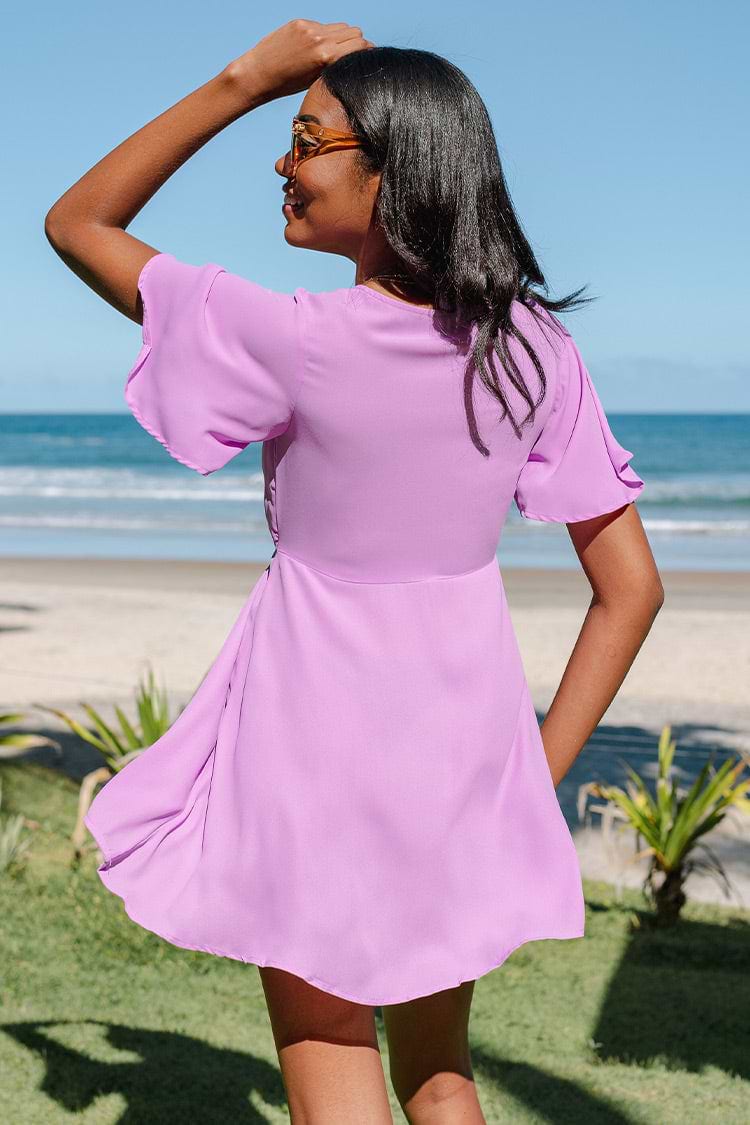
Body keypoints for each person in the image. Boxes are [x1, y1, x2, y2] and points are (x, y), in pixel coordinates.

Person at [44, 20, 663, 1124]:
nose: (282, 164)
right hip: (462, 757)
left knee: (331, 1060)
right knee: (441, 1073)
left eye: (307, 140)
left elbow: (78, 221)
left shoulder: (294, 336)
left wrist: (244, 78)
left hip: (312, 749)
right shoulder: (533, 349)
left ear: (392, 172)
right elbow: (633, 587)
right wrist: (533, 774)